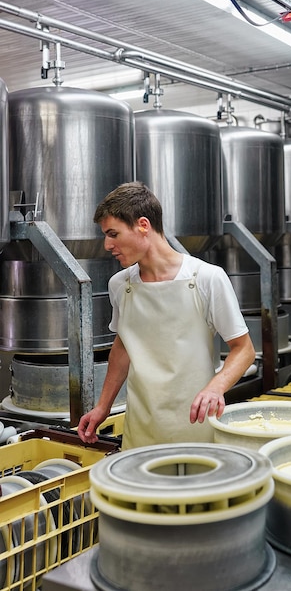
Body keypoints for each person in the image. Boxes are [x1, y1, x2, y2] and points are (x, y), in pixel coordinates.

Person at [78, 181, 255, 449]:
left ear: (143, 225)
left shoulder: (206, 278)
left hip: (196, 426)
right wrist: (103, 407)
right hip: (141, 428)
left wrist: (216, 386)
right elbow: (123, 347)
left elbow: (244, 349)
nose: (107, 245)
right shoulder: (120, 285)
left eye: (113, 234)